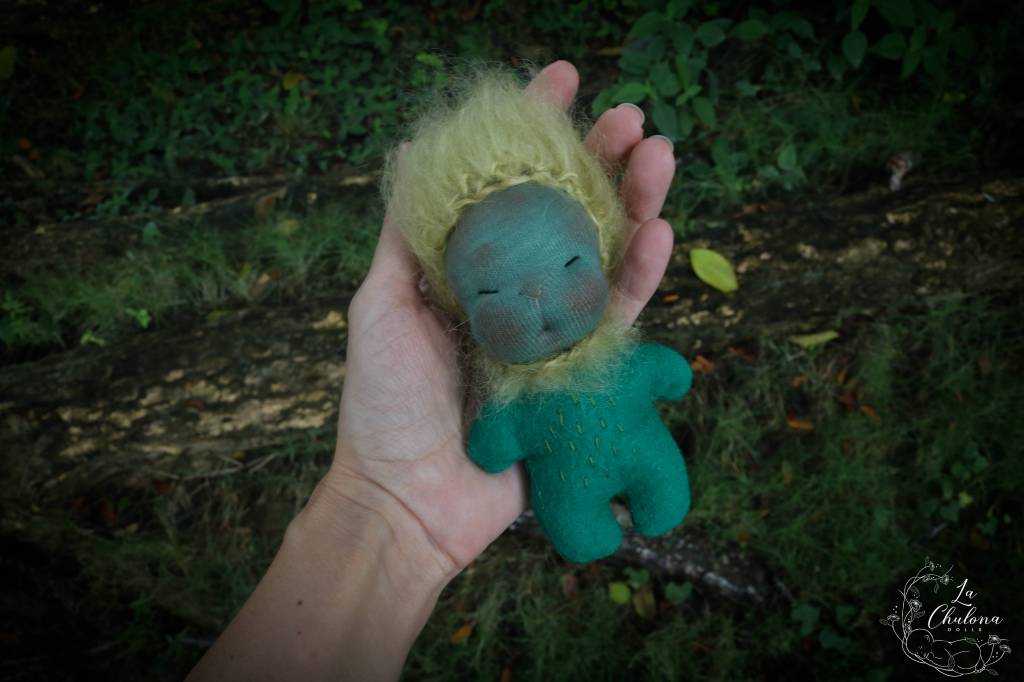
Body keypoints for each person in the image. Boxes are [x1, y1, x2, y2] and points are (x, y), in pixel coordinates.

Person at [186, 60, 678, 682]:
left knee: (661, 486)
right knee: (588, 524)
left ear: (599, 247)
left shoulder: (598, 371)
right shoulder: (520, 402)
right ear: (458, 302)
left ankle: (654, 497)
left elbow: (645, 380)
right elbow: (495, 443)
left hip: (613, 446)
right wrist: (389, 498)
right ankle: (608, 516)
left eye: (569, 262)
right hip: (567, 483)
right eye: (491, 291)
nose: (534, 300)